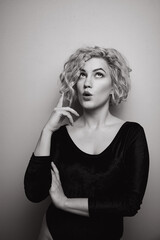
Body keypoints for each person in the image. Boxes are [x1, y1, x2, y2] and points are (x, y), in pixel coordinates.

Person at [24, 46, 149, 240]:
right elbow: (34, 193)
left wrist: (64, 202)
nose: (87, 83)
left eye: (98, 75)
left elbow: (130, 204)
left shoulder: (131, 135)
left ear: (114, 86)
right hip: (52, 234)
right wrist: (47, 131)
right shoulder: (59, 134)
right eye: (82, 75)